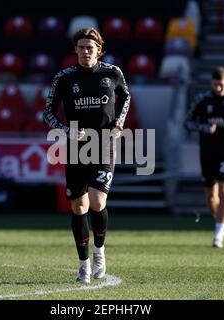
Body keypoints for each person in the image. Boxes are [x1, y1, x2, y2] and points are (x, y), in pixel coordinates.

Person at [43, 28, 131, 283]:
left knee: (97, 201)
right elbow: (48, 113)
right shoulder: (64, 78)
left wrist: (119, 123)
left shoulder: (112, 73)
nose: (85, 52)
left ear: (99, 50)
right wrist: (66, 129)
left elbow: (125, 97)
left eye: (90, 48)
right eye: (81, 48)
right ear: (76, 50)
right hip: (75, 147)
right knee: (78, 206)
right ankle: (83, 265)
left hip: (103, 144)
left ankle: (99, 252)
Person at [185, 67, 224, 248]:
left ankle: (219, 234)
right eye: (215, 85)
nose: (218, 88)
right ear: (211, 84)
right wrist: (205, 128)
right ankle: (218, 219)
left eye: (221, 84)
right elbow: (187, 122)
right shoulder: (203, 100)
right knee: (211, 197)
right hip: (207, 151)